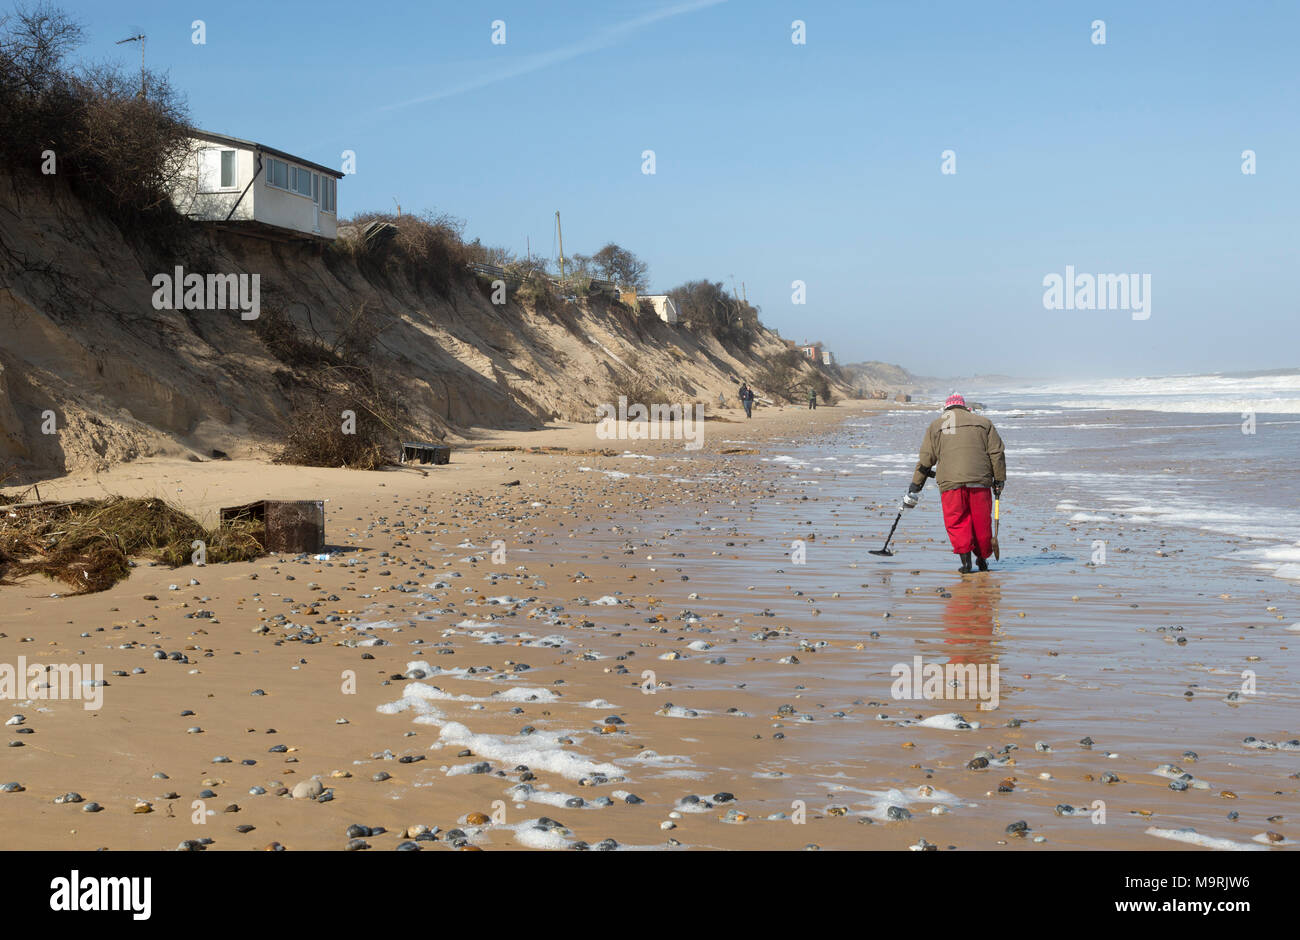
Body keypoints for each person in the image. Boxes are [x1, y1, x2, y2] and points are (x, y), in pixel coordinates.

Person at [902, 393, 1005, 573]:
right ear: (964, 407)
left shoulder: (936, 426)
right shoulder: (983, 422)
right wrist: (999, 480)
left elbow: (926, 460)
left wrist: (915, 485)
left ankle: (966, 563)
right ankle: (982, 560)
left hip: (950, 483)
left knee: (957, 520)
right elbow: (996, 453)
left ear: (947, 408)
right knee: (981, 522)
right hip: (980, 481)